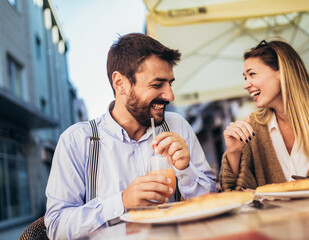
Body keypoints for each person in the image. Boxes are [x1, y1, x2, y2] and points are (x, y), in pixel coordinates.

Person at [45, 33, 217, 239]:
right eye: (157, 85)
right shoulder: (77, 141)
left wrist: (185, 170)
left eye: (170, 83)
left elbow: (212, 200)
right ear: (120, 83)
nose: (170, 95)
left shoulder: (176, 126)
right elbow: (56, 227)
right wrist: (122, 202)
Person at [220, 40, 309, 191]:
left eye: (252, 74)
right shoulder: (252, 128)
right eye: (245, 78)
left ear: (283, 72)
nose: (246, 85)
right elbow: (236, 194)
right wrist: (234, 152)